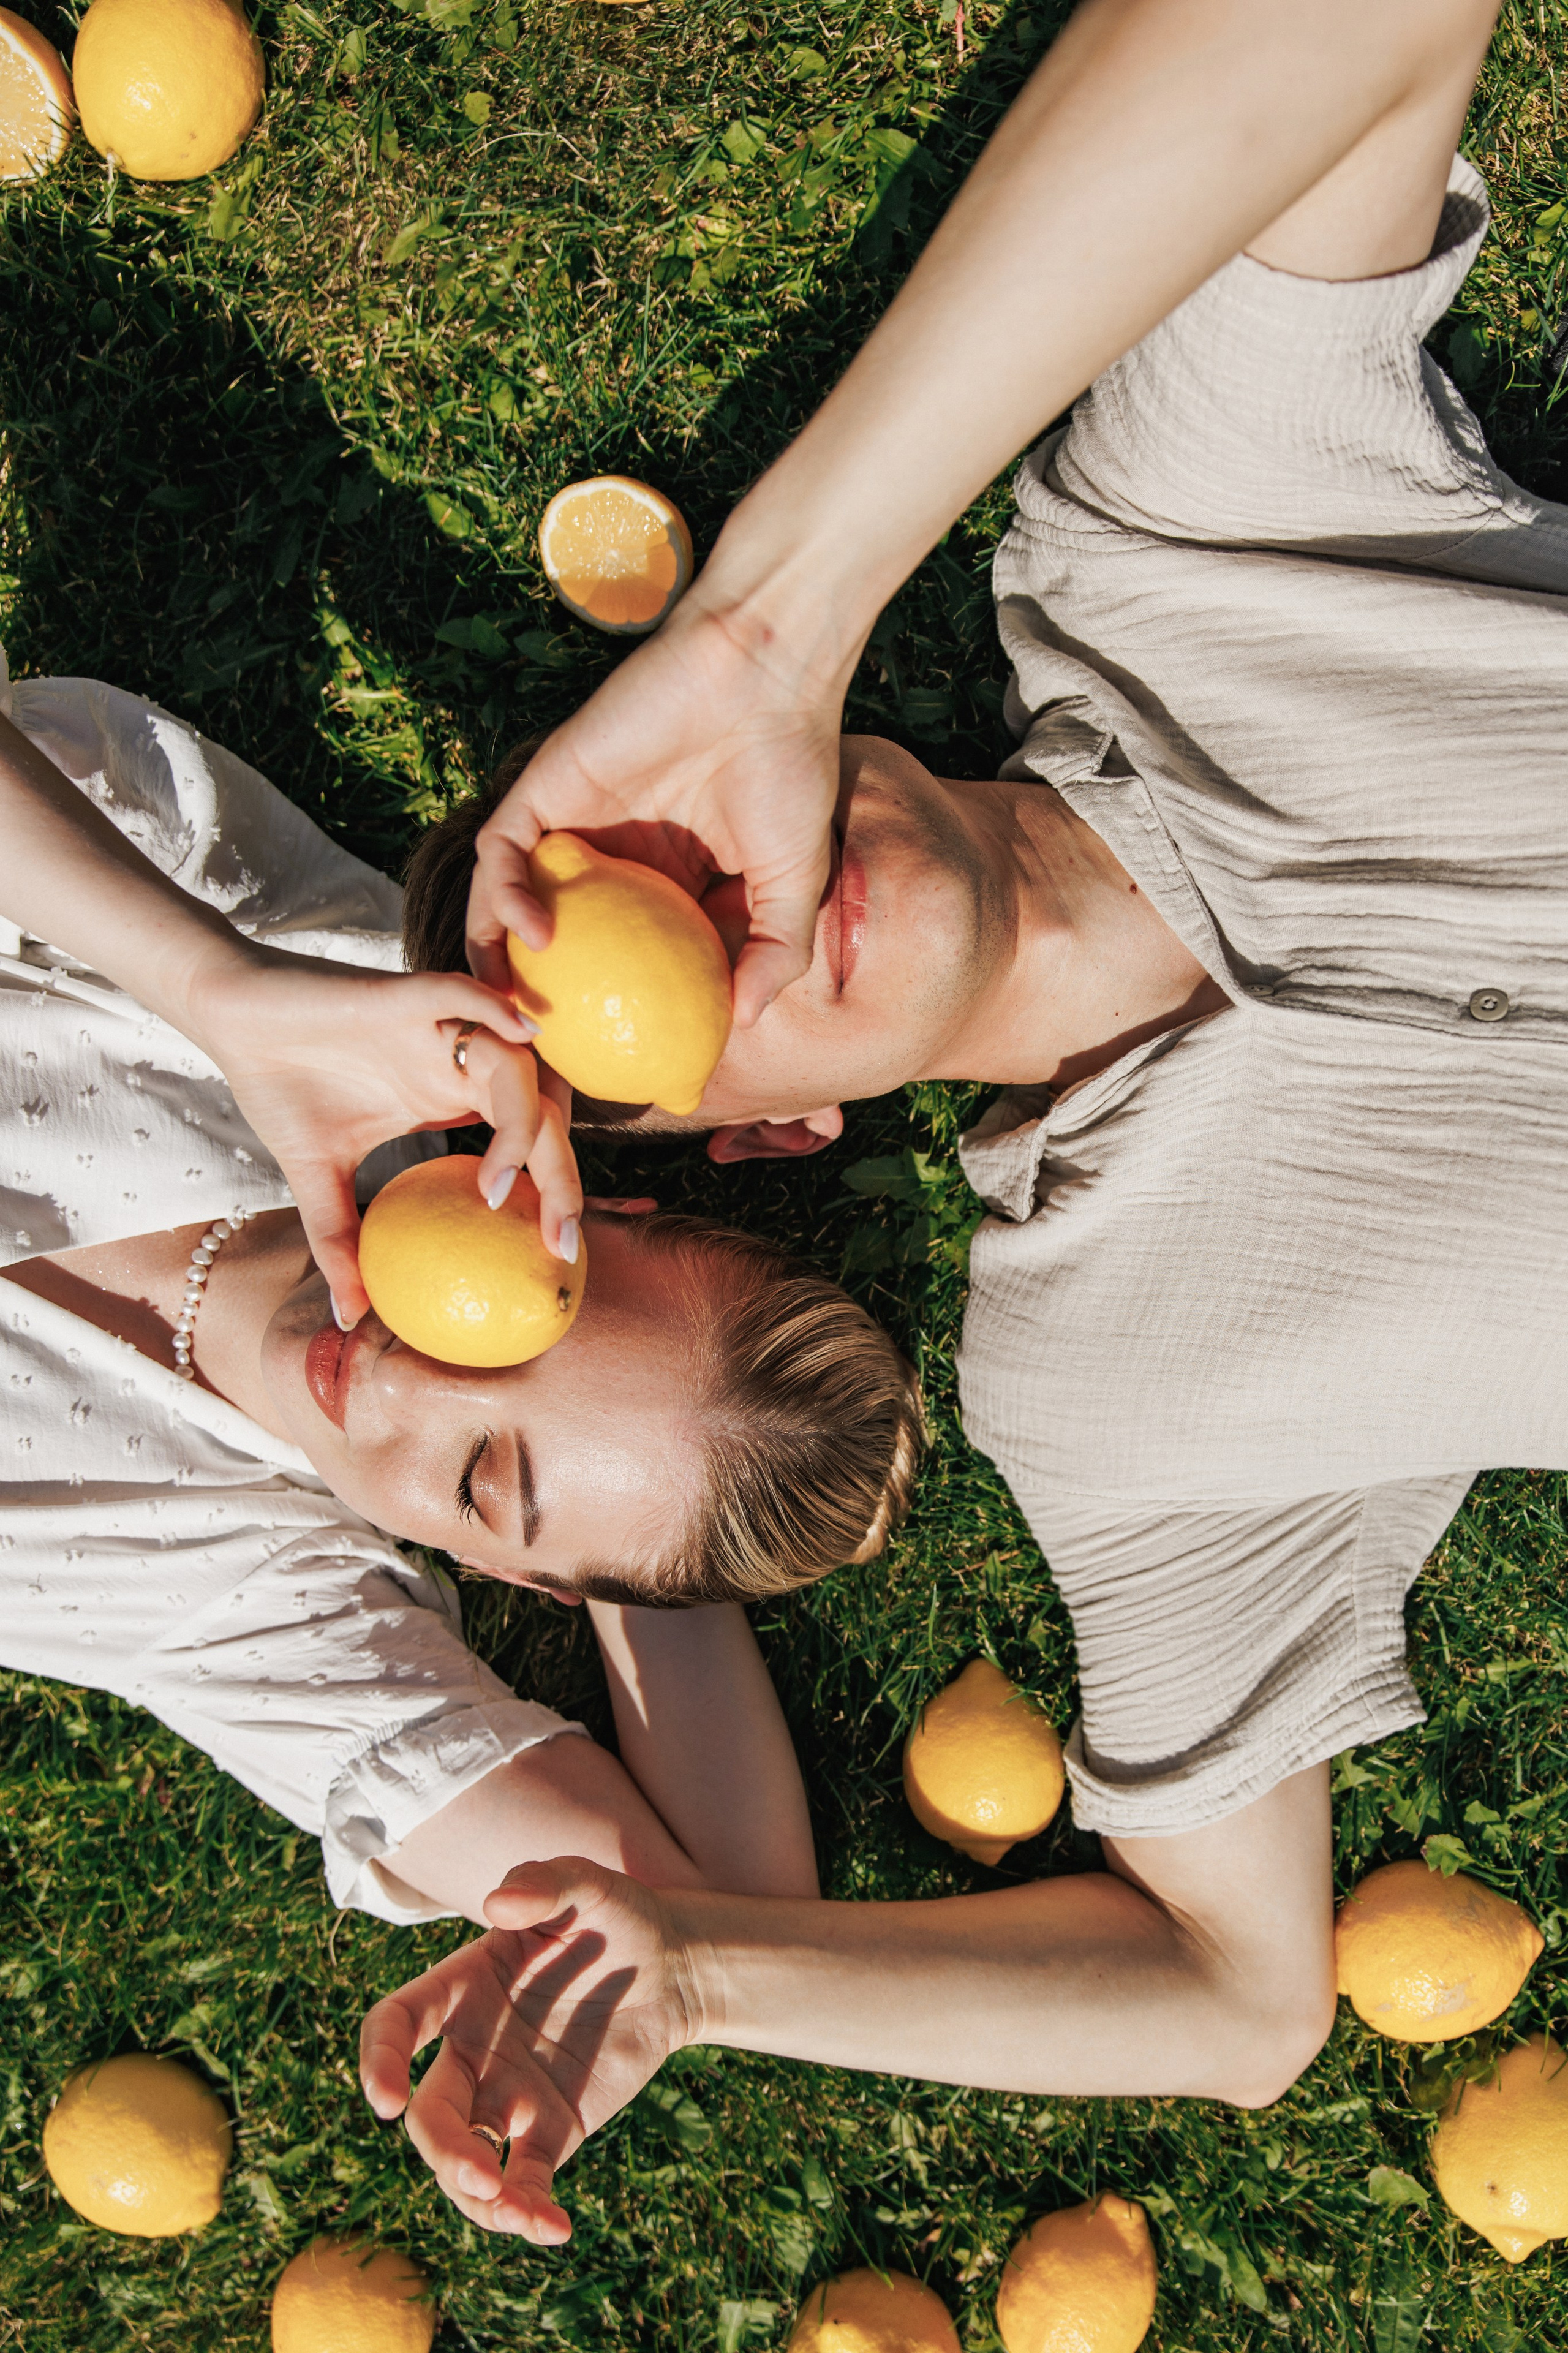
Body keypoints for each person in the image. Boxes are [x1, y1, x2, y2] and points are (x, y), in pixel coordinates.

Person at [357, 0, 1566, 2241]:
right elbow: (1237, 1999)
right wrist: (709, 1971)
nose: (701, 916)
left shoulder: (1170, 546)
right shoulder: (1114, 1400)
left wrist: (763, 627)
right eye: (632, 1017)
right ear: (755, 1149)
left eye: (650, 865)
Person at [0, 664, 922, 1926]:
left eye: (483, 1480)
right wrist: (217, 990)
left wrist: (643, 1537)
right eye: (524, 1304)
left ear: (526, 1580)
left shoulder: (259, 1603)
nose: (397, 1372)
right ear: (589, 1201)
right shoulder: (336, 982)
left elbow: (744, 1924)